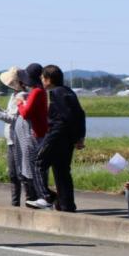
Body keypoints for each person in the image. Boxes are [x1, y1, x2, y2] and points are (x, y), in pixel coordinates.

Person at [35, 64, 86, 212]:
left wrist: (56, 134)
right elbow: (80, 115)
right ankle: (67, 205)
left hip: (56, 134)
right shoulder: (69, 92)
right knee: (62, 171)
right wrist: (79, 137)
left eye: (43, 78)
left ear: (49, 79)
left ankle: (46, 197)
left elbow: (66, 117)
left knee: (38, 162)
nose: (42, 81)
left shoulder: (56, 93)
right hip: (68, 138)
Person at [0, 66, 37, 207]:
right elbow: (9, 114)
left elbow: (14, 119)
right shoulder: (14, 95)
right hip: (11, 139)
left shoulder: (22, 96)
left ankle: (30, 200)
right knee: (13, 175)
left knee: (21, 173)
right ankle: (15, 204)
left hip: (18, 139)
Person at [17, 63, 51, 209]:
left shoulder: (36, 92)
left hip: (36, 134)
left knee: (35, 167)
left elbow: (26, 113)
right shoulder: (41, 91)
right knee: (38, 166)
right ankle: (44, 196)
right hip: (41, 133)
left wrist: (19, 103)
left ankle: (43, 197)